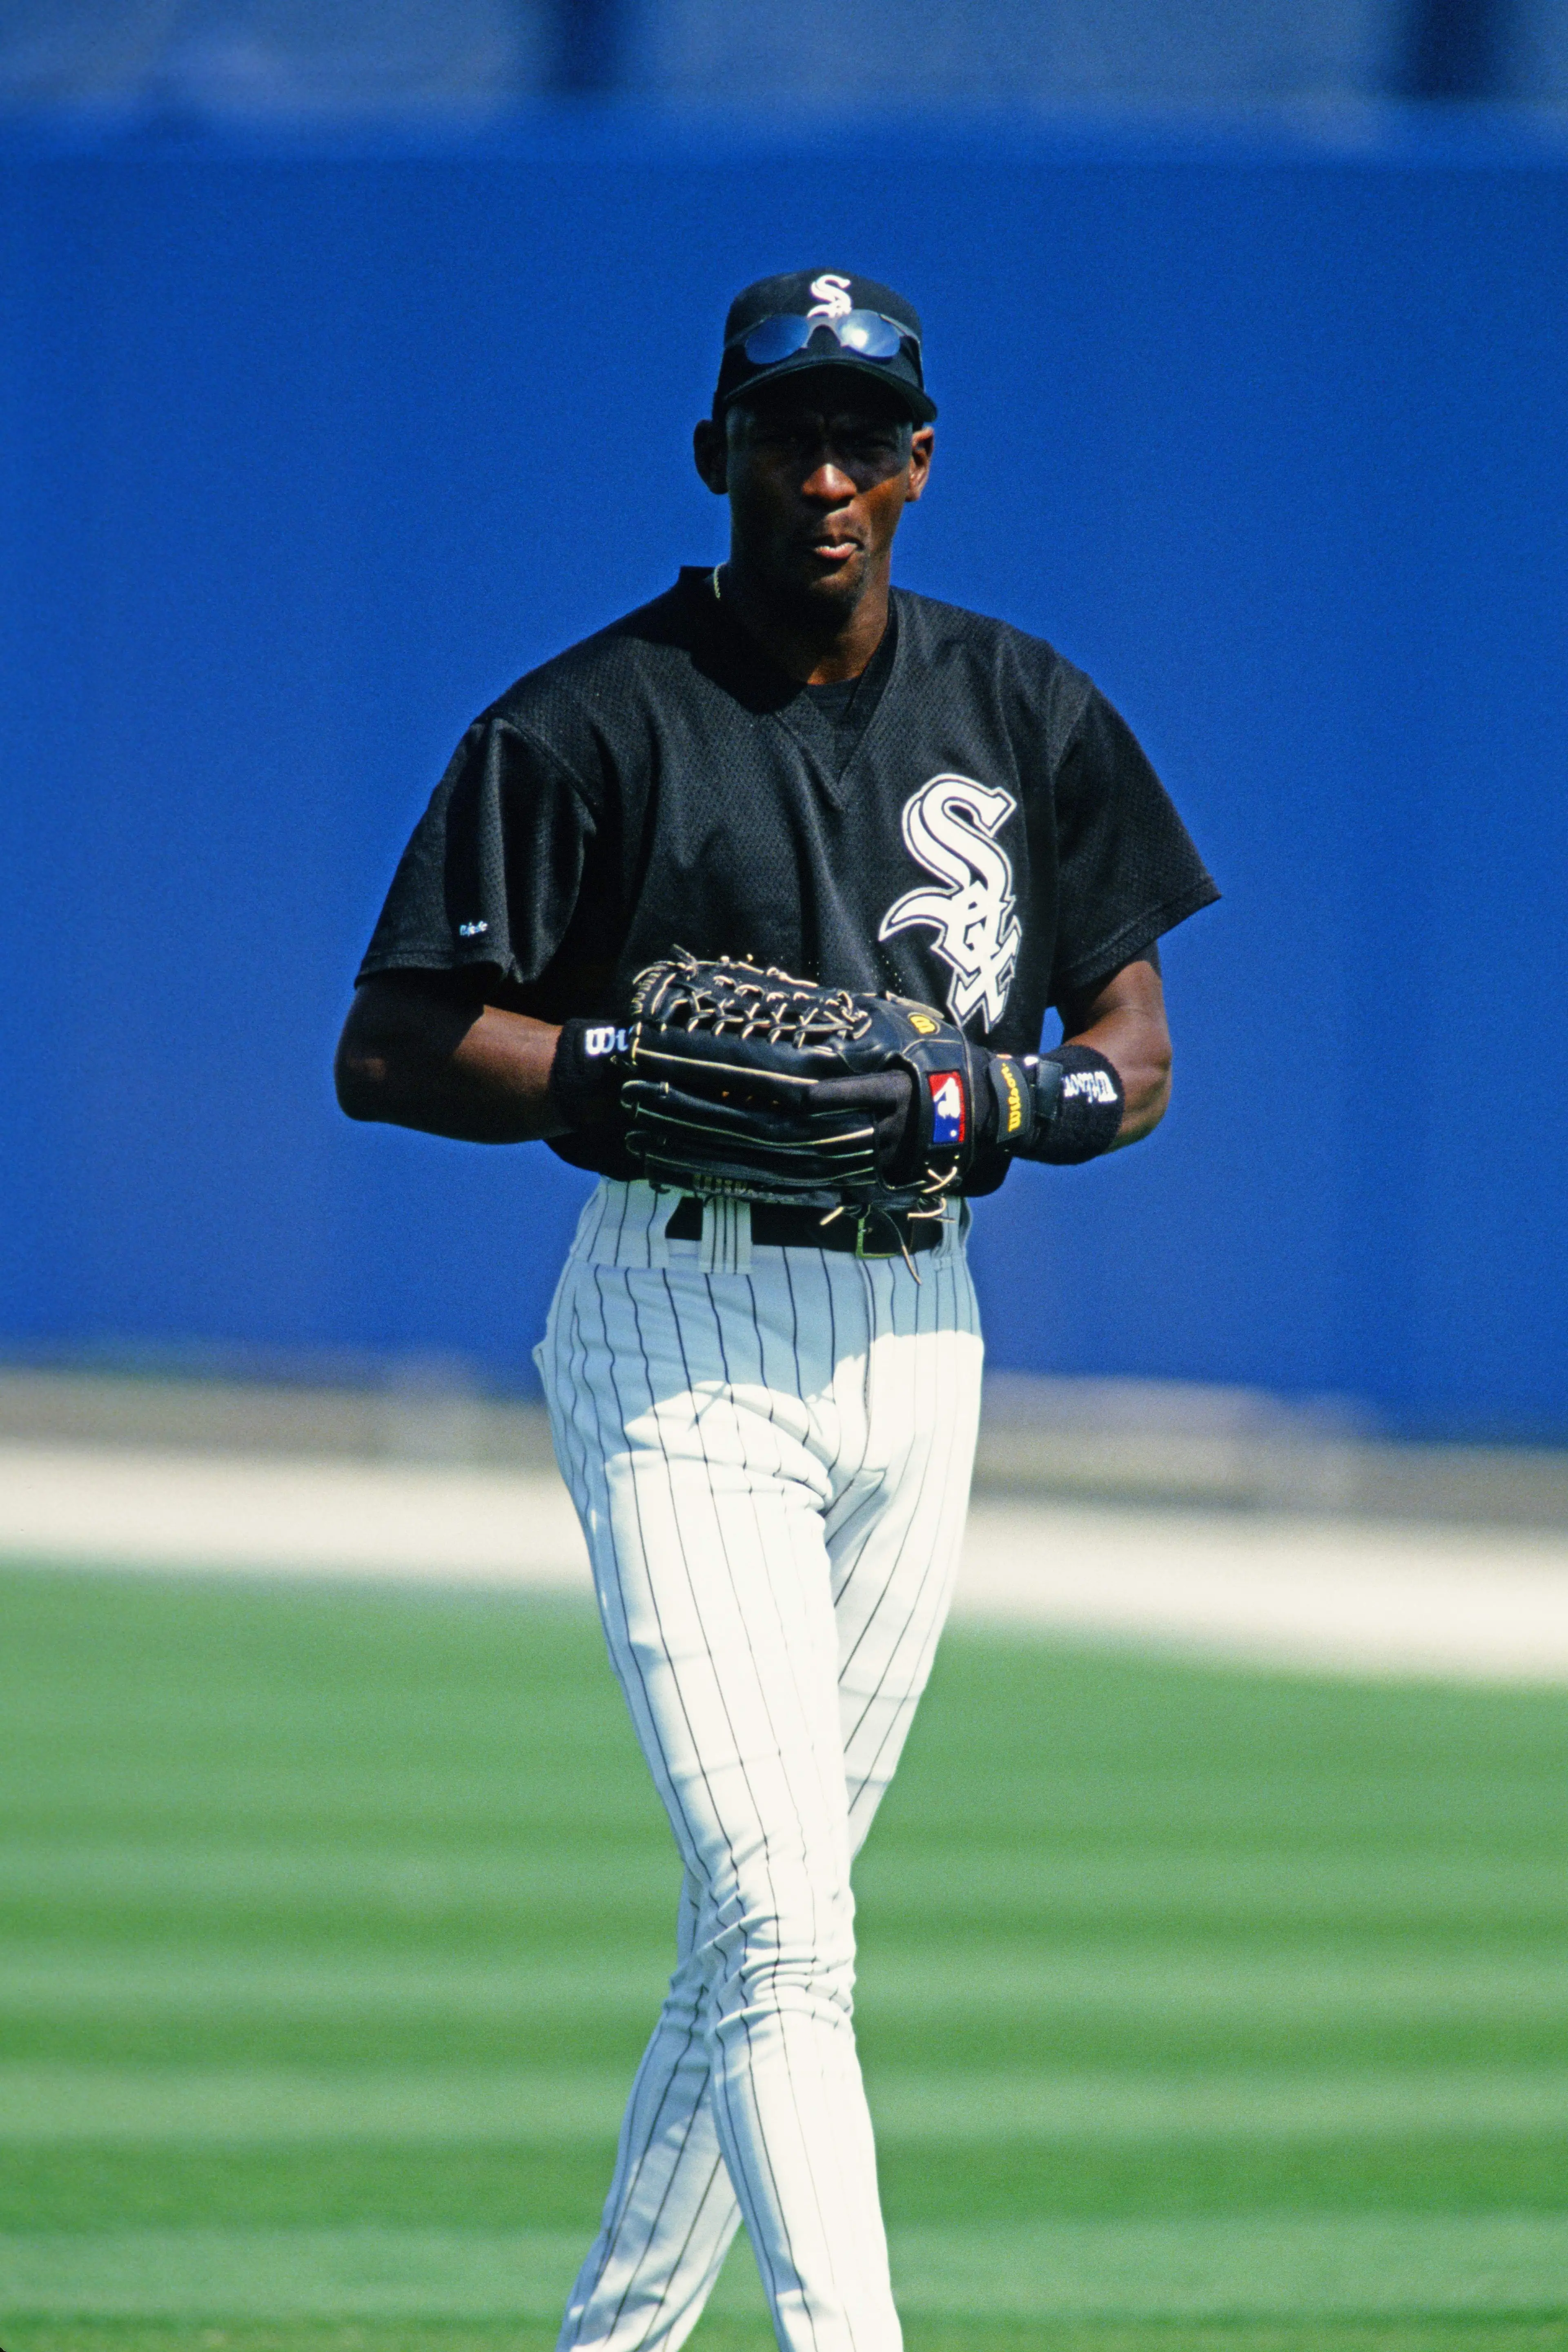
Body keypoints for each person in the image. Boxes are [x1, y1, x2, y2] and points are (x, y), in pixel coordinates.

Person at [336, 266, 1217, 2352]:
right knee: (784, 1930)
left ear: (919, 465)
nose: (821, 473)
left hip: (922, 1344)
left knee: (760, 1937)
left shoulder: (1025, 709)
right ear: (714, 451)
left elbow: (1137, 1050)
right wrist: (612, 1076)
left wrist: (974, 1087)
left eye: (860, 437)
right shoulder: (585, 719)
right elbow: (389, 1045)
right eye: (782, 432)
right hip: (678, 1330)